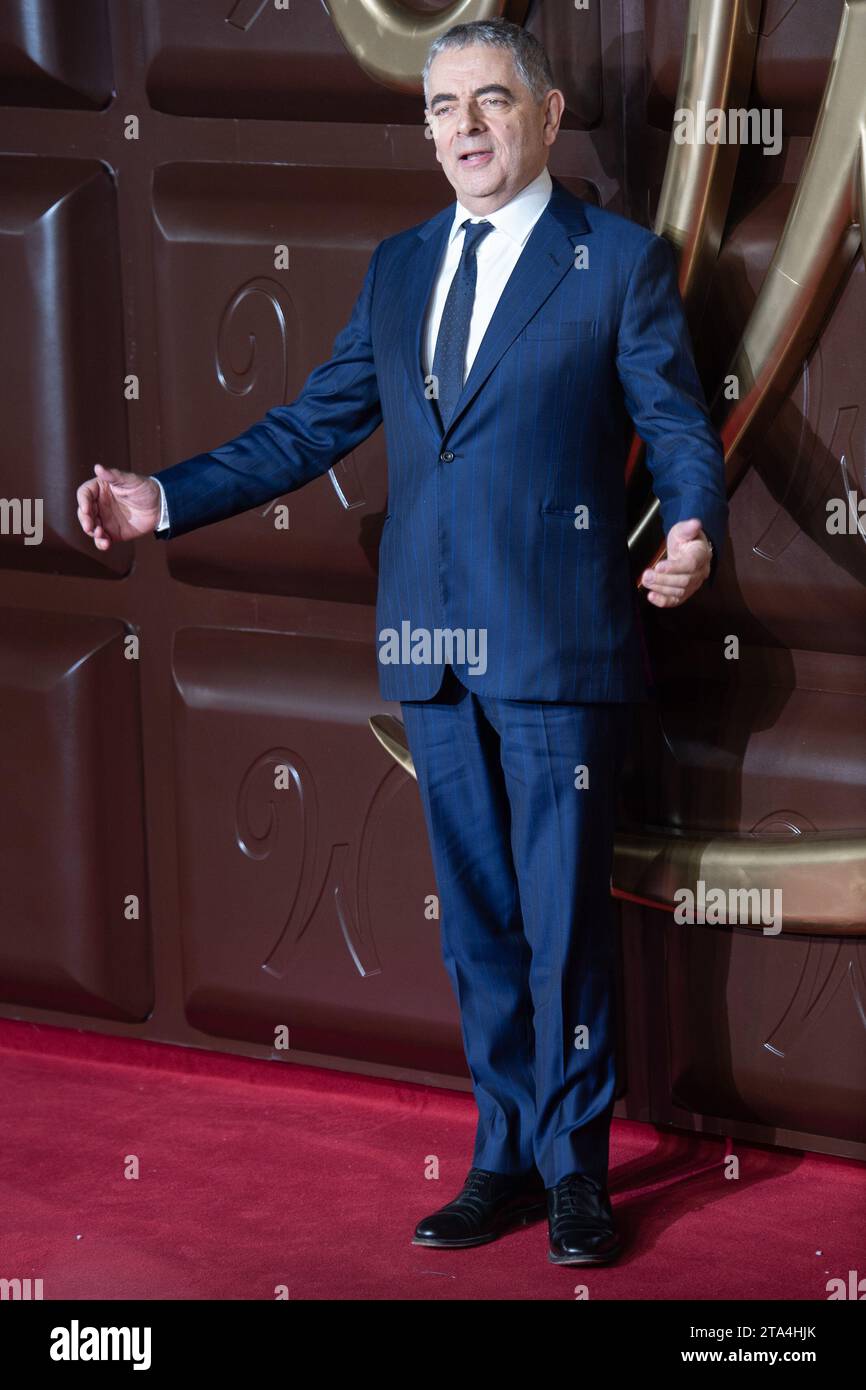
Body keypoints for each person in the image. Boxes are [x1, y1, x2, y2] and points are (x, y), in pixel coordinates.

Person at [77, 19, 727, 1266]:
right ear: (426, 131)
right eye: (442, 109)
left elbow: (676, 423)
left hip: (556, 653)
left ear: (544, 118)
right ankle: (504, 1160)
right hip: (428, 649)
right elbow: (306, 428)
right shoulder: (397, 269)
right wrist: (162, 496)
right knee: (475, 927)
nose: (465, 127)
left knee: (563, 924)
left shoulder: (617, 265)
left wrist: (689, 526)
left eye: (491, 101)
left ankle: (578, 1173)